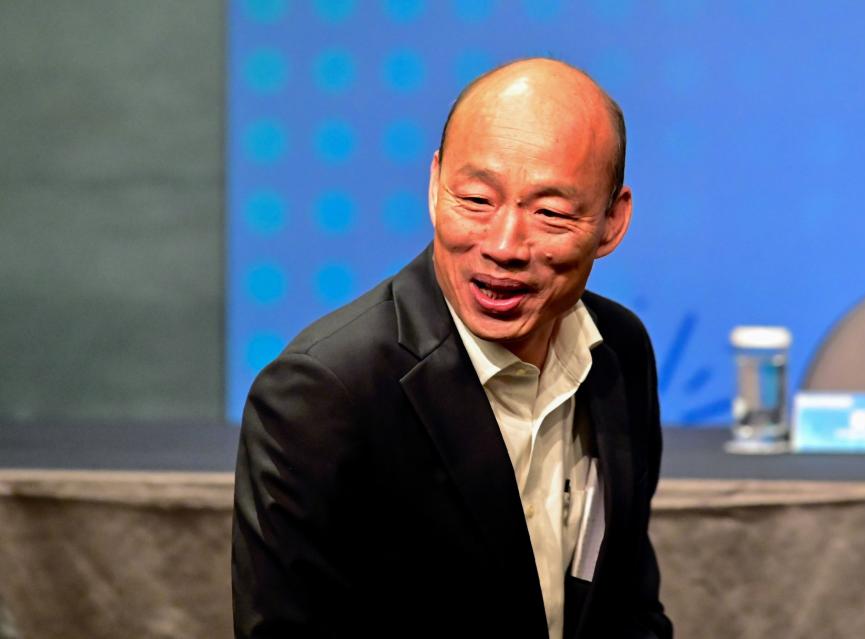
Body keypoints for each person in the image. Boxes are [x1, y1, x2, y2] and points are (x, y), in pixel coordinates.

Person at [232, 57, 672, 639]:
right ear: (435, 185)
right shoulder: (325, 394)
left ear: (612, 222)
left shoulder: (619, 352)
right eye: (476, 199)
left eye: (551, 212)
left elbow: (628, 607)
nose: (505, 244)